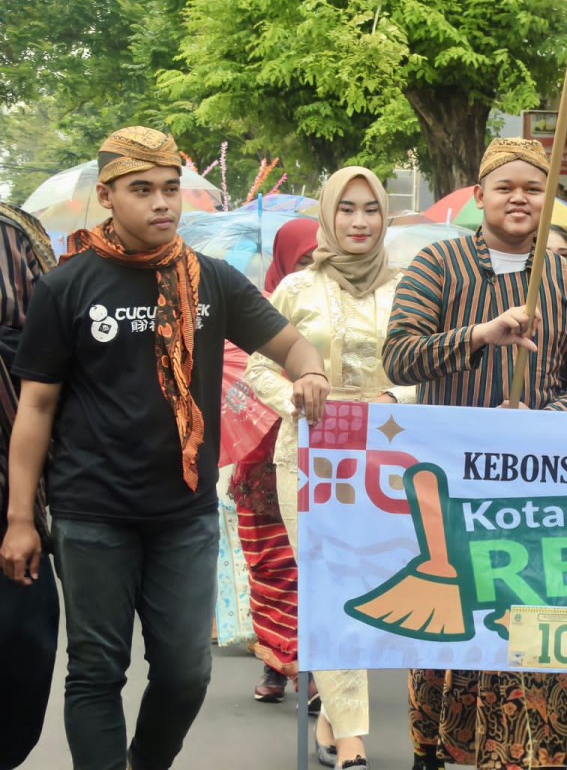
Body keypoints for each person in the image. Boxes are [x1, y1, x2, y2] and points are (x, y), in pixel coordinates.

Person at [0, 126, 330, 770]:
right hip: (90, 511)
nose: (162, 204)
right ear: (108, 196)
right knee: (96, 670)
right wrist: (20, 519)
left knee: (185, 674)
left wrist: (310, 371)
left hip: (183, 514)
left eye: (171, 190)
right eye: (142, 190)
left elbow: (292, 344)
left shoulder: (212, 281)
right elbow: (35, 407)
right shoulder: (66, 288)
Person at [384, 137, 567, 770]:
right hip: (453, 486)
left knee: (536, 627)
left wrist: (543, 420)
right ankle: (434, 748)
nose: (519, 198)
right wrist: (482, 335)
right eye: (505, 187)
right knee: (449, 622)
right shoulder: (438, 264)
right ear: (479, 196)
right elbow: (400, 355)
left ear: (549, 200)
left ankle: (529, 757)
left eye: (533, 188)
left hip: (540, 489)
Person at [246, 167, 413, 770]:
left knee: (370, 589)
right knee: (332, 584)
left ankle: (333, 727)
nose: (360, 222)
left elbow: (426, 366)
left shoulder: (410, 289)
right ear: (327, 215)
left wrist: (399, 398)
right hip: (309, 458)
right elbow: (256, 364)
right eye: (347, 210)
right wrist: (295, 391)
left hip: (387, 457)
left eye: (371, 209)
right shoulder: (295, 289)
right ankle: (351, 740)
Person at [228, 218, 320, 706]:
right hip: (262, 457)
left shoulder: (334, 305)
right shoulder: (255, 311)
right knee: (272, 569)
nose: (308, 269)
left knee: (313, 566)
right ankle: (276, 661)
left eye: (315, 259)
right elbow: (244, 381)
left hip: (324, 455)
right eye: (302, 260)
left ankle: (317, 667)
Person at [0, 202, 59, 770]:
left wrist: (25, 513)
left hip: (15, 488)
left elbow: (52, 358)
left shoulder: (15, 235)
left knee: (21, 649)